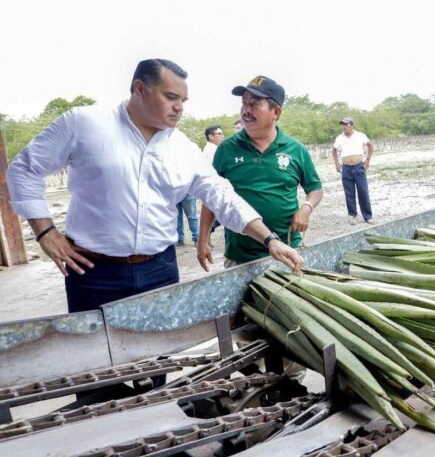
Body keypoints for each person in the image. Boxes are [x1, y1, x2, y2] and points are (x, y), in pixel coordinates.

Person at [7, 59, 304, 313]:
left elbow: (222, 196)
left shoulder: (182, 148)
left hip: (160, 270)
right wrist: (45, 232)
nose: (179, 108)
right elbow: (24, 169)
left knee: (159, 357)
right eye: (171, 97)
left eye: (183, 101)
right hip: (93, 272)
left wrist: (270, 240)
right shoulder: (84, 124)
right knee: (97, 358)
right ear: (140, 89)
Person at [197, 75, 323, 271]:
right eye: (244, 103)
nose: (246, 110)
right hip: (240, 255)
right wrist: (202, 239)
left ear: (276, 112)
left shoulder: (295, 149)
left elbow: (315, 189)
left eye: (255, 104)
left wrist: (306, 208)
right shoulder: (226, 149)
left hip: (288, 250)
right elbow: (212, 197)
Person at [332, 117, 375, 225]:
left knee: (363, 192)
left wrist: (367, 161)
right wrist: (337, 163)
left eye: (346, 124)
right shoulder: (339, 138)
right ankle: (353, 215)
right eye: (343, 124)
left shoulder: (360, 135)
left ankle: (368, 216)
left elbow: (370, 145)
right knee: (349, 193)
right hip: (346, 168)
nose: (344, 126)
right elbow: (334, 150)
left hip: (359, 167)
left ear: (352, 125)